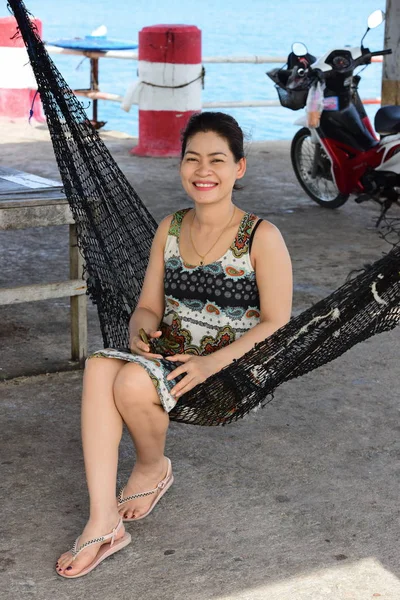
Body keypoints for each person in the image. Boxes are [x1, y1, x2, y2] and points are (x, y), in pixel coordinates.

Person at [55, 111, 293, 578]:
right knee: (101, 367)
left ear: (239, 168)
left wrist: (209, 365)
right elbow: (147, 307)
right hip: (167, 360)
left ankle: (152, 466)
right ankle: (102, 521)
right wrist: (140, 334)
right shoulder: (170, 227)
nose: (204, 170)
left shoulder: (262, 237)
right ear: (181, 165)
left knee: (127, 383)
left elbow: (277, 321)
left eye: (217, 160)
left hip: (230, 372)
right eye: (192, 159)